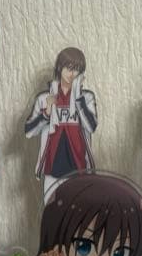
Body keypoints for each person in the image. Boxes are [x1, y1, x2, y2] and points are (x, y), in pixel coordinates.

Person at [25, 47, 98, 198]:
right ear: (60, 67)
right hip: (52, 170)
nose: (72, 74)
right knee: (51, 211)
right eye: (69, 68)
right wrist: (46, 113)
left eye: (76, 70)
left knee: (78, 211)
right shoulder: (44, 98)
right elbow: (29, 131)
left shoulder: (87, 98)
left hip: (79, 170)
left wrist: (78, 99)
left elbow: (91, 127)